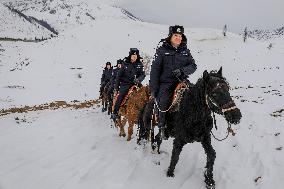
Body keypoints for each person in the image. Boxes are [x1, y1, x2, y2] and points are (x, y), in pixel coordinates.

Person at [149, 25, 197, 139]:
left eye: (180, 35)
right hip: (167, 83)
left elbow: (193, 66)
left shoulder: (185, 51)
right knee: (163, 102)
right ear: (170, 36)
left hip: (183, 81)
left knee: (197, 95)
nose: (178, 38)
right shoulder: (161, 51)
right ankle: (162, 128)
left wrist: (182, 71)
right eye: (176, 35)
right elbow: (154, 71)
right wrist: (153, 89)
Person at [112, 48, 146, 120]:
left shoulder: (140, 64)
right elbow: (118, 77)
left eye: (136, 56)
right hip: (125, 84)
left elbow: (143, 75)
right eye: (133, 56)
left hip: (136, 83)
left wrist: (138, 80)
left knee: (145, 94)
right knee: (121, 95)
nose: (134, 57)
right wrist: (116, 88)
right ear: (130, 56)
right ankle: (115, 112)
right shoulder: (125, 64)